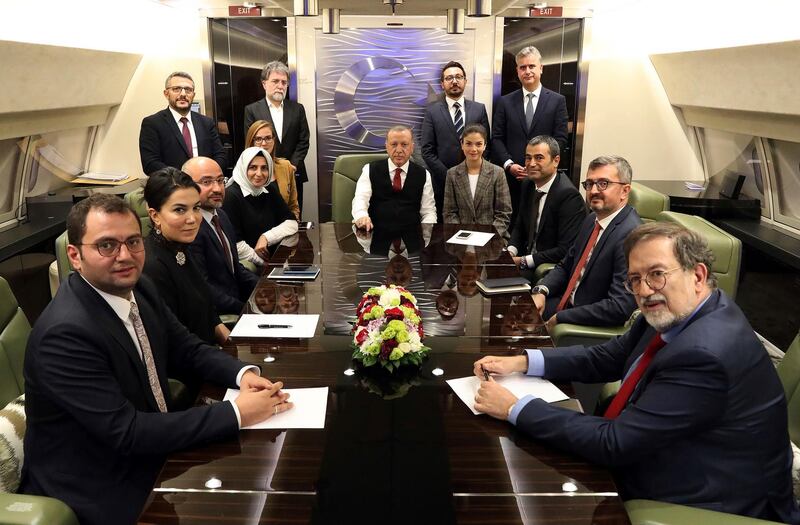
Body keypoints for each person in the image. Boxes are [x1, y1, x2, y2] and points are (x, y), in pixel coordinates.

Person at [474, 222, 800, 524]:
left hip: (708, 499)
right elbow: (612, 355)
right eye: (635, 279)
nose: (644, 290)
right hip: (670, 450)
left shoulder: (705, 354)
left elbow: (615, 443)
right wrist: (524, 362)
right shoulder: (678, 309)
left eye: (657, 274)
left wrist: (514, 407)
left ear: (698, 276)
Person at [20, 194, 292, 525]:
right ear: (75, 256)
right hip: (99, 478)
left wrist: (242, 374)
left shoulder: (140, 289)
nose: (125, 256)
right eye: (107, 246)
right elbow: (126, 432)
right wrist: (237, 412)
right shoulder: (64, 335)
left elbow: (187, 349)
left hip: (150, 444)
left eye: (133, 241)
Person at [532, 155, 642, 331]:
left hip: (586, 324)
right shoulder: (592, 220)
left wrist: (561, 318)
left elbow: (619, 306)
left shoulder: (632, 235)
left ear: (625, 191)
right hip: (564, 303)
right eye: (589, 184)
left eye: (603, 183)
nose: (594, 191)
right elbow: (566, 265)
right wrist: (542, 291)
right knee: (511, 317)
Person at [142, 167, 229, 345]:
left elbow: (209, 314)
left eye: (196, 208)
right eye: (180, 210)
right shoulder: (151, 266)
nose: (192, 219)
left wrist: (232, 344)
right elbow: (176, 342)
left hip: (208, 352)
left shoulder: (181, 246)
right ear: (155, 215)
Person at [491, 46, 569, 219]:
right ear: (517, 71)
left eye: (531, 66)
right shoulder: (505, 102)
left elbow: (561, 139)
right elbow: (496, 138)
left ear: (541, 68)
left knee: (541, 223)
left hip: (544, 179)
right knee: (511, 223)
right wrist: (509, 164)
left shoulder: (557, 101)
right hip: (512, 179)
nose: (527, 71)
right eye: (522, 67)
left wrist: (542, 164)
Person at [183, 156, 260, 315]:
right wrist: (245, 310)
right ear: (186, 186)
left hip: (237, 302)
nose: (217, 189)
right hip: (217, 316)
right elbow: (203, 289)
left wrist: (266, 287)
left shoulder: (222, 216)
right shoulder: (190, 227)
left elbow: (235, 268)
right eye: (206, 182)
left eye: (220, 180)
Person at [507, 136, 586, 277]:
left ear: (556, 161)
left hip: (547, 268)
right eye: (528, 158)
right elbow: (519, 225)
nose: (531, 164)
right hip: (525, 257)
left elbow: (565, 249)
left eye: (539, 158)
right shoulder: (528, 184)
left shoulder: (569, 196)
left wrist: (522, 261)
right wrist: (510, 252)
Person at [421, 61, 491, 217]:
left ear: (465, 81)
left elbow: (487, 146)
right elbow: (427, 150)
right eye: (449, 78)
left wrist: (473, 173)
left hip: (475, 181)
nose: (454, 81)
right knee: (444, 230)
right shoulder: (432, 112)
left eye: (459, 77)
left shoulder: (479, 109)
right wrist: (449, 176)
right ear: (442, 84)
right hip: (443, 183)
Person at [243, 61, 310, 214]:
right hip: (263, 174)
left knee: (293, 214)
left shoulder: (297, 109)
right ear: (264, 84)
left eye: (284, 82)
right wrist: (265, 167)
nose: (280, 86)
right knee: (267, 216)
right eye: (275, 81)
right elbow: (250, 143)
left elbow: (304, 140)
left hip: (293, 173)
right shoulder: (252, 110)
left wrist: (292, 165)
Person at [351, 125, 437, 232]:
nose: (399, 150)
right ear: (386, 146)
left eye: (404, 145)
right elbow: (360, 200)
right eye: (394, 144)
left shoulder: (424, 174)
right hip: (377, 236)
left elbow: (428, 212)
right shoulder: (369, 170)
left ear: (412, 147)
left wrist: (426, 233)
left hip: (412, 238)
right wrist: (361, 216)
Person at [139, 71, 226, 175]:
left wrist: (208, 176)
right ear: (166, 94)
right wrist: (184, 179)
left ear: (193, 95)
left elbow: (220, 155)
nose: (183, 94)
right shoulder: (152, 123)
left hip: (205, 185)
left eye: (188, 90)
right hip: (172, 187)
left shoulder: (206, 123)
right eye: (176, 89)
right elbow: (150, 164)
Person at [224, 147, 298, 266]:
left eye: (264, 168)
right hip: (249, 265)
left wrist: (266, 238)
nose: (259, 174)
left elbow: (292, 223)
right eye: (253, 167)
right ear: (243, 168)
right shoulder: (230, 196)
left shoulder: (269, 189)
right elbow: (236, 245)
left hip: (274, 259)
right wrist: (264, 264)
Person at [442, 124, 512, 241]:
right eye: (468, 143)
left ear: (484, 146)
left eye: (478, 144)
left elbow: (503, 213)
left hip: (492, 239)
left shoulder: (497, 173)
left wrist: (486, 238)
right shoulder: (452, 174)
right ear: (462, 144)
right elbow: (449, 213)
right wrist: (463, 237)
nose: (473, 149)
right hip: (461, 239)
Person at [246, 119, 301, 219]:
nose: (263, 143)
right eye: (258, 139)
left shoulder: (286, 166)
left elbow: (293, 207)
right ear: (251, 142)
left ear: (273, 140)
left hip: (285, 229)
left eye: (268, 138)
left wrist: (292, 225)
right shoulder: (243, 171)